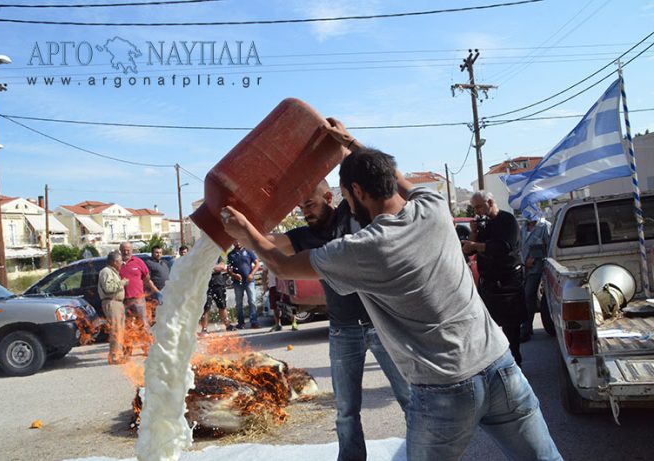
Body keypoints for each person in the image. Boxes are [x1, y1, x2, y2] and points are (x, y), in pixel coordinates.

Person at [221, 119, 561, 460]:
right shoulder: (434, 207)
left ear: (358, 192)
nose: (348, 207)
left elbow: (280, 265)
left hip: (445, 387)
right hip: (500, 367)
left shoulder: (363, 249)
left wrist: (244, 231)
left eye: (347, 197)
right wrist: (352, 143)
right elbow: (401, 181)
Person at [265, 179, 409, 461]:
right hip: (342, 330)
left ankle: (423, 454)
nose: (305, 211)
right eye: (301, 206)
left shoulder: (351, 213)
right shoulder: (303, 236)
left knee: (410, 399)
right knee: (345, 411)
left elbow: (364, 179)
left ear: (329, 197)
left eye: (310, 203)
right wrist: (243, 225)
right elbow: (268, 244)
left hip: (380, 323)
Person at [463, 190, 526, 366]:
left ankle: (515, 365)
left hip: (508, 283)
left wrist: (477, 245)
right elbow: (469, 250)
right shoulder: (484, 224)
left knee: (511, 328)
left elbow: (504, 247)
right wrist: (474, 233)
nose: (477, 211)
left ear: (490, 202)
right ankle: (497, 365)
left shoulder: (508, 221)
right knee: (488, 328)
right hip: (489, 284)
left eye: (479, 207)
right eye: (474, 208)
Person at [119, 241, 160, 356]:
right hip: (123, 301)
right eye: (124, 250)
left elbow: (146, 278)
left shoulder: (138, 262)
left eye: (128, 250)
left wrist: (149, 290)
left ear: (132, 251)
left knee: (143, 324)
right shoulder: (117, 264)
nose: (126, 252)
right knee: (126, 327)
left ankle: (147, 348)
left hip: (138, 299)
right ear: (120, 250)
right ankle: (127, 352)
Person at [520, 207, 552, 342]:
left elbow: (549, 248)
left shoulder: (545, 226)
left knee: (529, 295)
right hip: (524, 268)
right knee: (527, 298)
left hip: (538, 268)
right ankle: (527, 326)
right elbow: (521, 246)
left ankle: (526, 329)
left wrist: (538, 258)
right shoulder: (523, 227)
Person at [97, 250, 129, 364]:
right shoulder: (106, 272)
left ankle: (118, 355)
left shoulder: (113, 272)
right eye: (120, 261)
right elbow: (108, 288)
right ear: (115, 262)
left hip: (117, 303)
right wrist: (122, 283)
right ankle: (114, 356)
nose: (122, 263)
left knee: (120, 330)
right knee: (115, 330)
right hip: (111, 302)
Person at [226, 241, 261, 329]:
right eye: (235, 241)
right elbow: (229, 269)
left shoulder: (248, 251)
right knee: (238, 303)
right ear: (233, 243)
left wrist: (252, 274)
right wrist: (233, 275)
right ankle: (241, 323)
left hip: (249, 281)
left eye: (238, 240)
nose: (237, 242)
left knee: (252, 301)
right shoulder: (230, 255)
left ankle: (254, 322)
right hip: (238, 282)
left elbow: (257, 264)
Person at [199, 256, 236, 334]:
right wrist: (214, 268)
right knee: (206, 308)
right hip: (206, 286)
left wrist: (209, 268)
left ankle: (227, 325)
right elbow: (201, 269)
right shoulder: (201, 256)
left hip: (219, 284)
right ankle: (204, 329)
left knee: (222, 306)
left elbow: (222, 267)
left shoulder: (216, 256)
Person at [265, 267, 297, 332]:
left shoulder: (284, 256)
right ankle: (277, 324)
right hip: (273, 285)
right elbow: (264, 272)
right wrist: (264, 285)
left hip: (286, 284)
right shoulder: (267, 258)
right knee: (274, 306)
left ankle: (294, 322)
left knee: (291, 304)